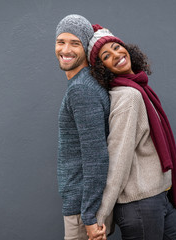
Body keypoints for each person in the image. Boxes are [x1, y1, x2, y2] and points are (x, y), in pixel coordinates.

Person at [86, 24, 176, 240]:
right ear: (103, 68)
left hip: (158, 199)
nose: (116, 55)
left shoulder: (140, 89)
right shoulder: (129, 97)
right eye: (106, 56)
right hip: (140, 206)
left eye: (116, 47)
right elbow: (118, 158)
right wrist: (100, 216)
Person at [55, 15, 112, 240]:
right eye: (61, 41)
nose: (66, 49)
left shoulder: (82, 90)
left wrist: (88, 216)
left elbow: (95, 156)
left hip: (81, 209)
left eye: (75, 43)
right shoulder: (84, 84)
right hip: (82, 205)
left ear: (85, 48)